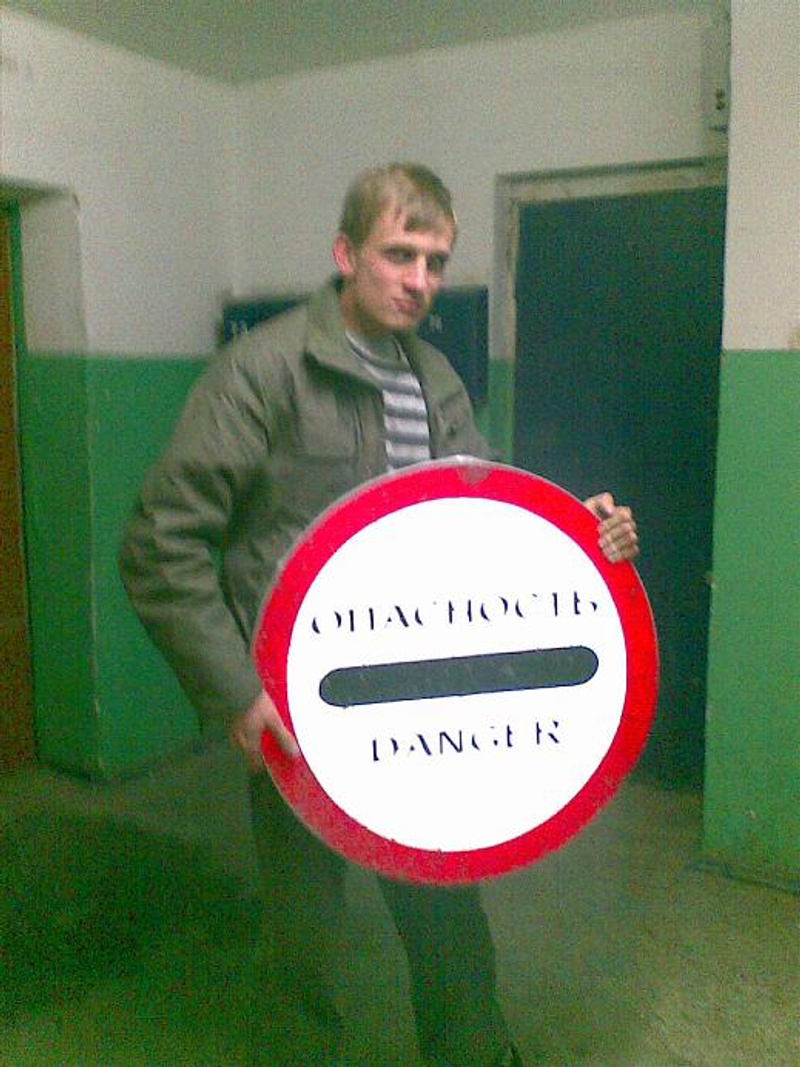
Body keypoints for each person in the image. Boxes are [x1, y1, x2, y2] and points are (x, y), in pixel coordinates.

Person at [120, 163, 638, 1066]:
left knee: (448, 909)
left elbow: (479, 516)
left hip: (426, 699)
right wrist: (237, 692)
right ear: (346, 253)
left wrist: (578, 542)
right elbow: (161, 544)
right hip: (299, 707)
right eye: (399, 254)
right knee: (304, 935)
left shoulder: (434, 378)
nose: (419, 280)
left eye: (435, 261)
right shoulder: (264, 371)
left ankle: (475, 1053)